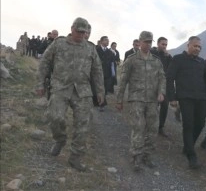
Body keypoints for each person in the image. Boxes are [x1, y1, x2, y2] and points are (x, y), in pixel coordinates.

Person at [36, 17, 105, 172]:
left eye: (84, 32)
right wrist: (40, 83)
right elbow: (45, 62)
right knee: (55, 117)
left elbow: (97, 71)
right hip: (61, 87)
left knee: (83, 125)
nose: (81, 35)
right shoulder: (59, 43)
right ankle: (60, 140)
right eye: (79, 31)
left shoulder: (90, 48)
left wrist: (100, 91)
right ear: (72, 28)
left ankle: (75, 157)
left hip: (82, 91)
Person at [166, 36, 206, 169]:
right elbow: (169, 78)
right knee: (188, 125)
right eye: (195, 46)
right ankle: (192, 157)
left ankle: (188, 146)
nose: (197, 48)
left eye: (199, 47)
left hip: (200, 98)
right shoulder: (178, 59)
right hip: (185, 97)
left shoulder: (201, 62)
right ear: (188, 45)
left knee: (199, 124)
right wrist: (172, 98)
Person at [116, 31, 166, 172]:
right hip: (136, 99)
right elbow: (123, 81)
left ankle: (147, 156)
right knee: (138, 128)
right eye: (146, 41)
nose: (148, 44)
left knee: (152, 129)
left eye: (150, 42)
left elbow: (162, 78)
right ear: (140, 42)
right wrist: (119, 100)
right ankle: (136, 158)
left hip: (152, 101)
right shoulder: (131, 60)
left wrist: (161, 92)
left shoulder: (156, 61)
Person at [150, 37, 172, 137]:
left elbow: (172, 69)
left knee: (165, 106)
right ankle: (149, 125)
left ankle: (160, 127)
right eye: (162, 44)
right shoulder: (151, 53)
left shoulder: (168, 56)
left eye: (166, 45)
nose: (164, 46)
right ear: (158, 44)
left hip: (163, 85)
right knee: (152, 106)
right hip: (152, 84)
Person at [96, 36, 116, 111]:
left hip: (107, 74)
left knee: (105, 89)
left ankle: (102, 104)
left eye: (108, 41)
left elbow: (112, 64)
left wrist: (113, 73)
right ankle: (97, 102)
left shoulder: (110, 52)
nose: (107, 42)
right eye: (105, 40)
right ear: (101, 41)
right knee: (97, 88)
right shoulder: (96, 50)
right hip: (97, 73)